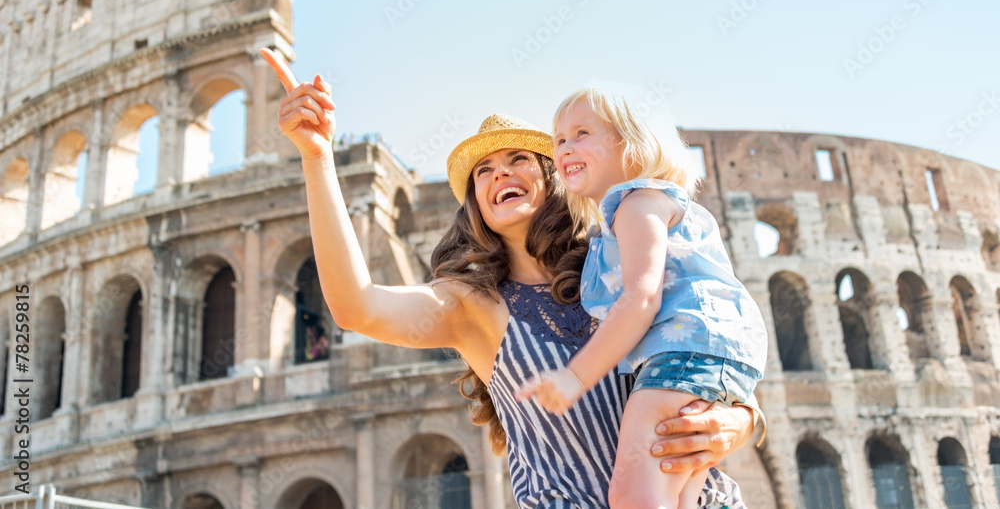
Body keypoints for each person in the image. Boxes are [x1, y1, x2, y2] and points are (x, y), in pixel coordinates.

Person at [258, 48, 763, 507]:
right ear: (477, 203)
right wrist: (318, 157)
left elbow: (712, 357)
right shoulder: (468, 305)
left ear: (555, 177)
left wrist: (740, 422)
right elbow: (357, 307)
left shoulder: (617, 265)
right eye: (484, 170)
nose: (500, 173)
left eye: (518, 158)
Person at [516, 88, 768, 508]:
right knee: (678, 493)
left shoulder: (636, 205)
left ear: (632, 146)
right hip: (700, 357)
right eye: (559, 139)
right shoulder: (626, 217)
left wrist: (574, 377)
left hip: (682, 355)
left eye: (582, 133)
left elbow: (641, 298)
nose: (566, 147)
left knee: (633, 495)